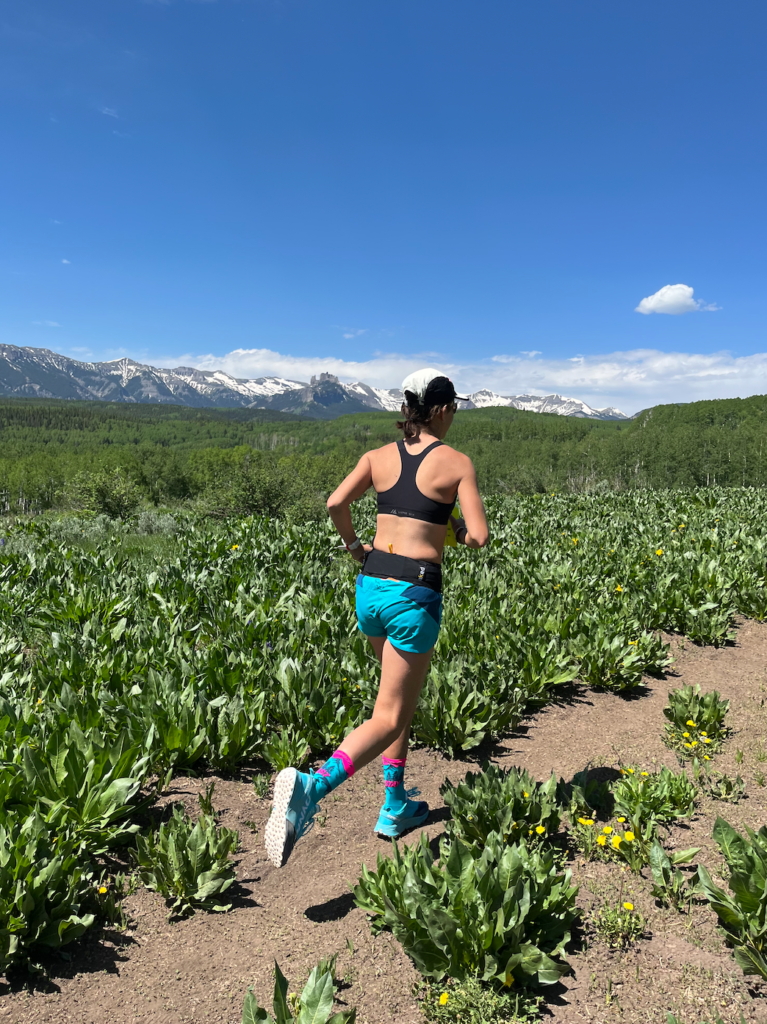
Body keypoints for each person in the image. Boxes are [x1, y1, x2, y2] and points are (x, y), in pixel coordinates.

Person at [264, 368, 489, 868]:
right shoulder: (456, 464)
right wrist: (448, 525)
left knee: (394, 702)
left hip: (371, 587)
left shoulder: (378, 457)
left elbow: (335, 502)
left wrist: (353, 546)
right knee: (388, 714)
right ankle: (310, 787)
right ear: (444, 409)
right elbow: (478, 536)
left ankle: (395, 804)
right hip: (414, 594)